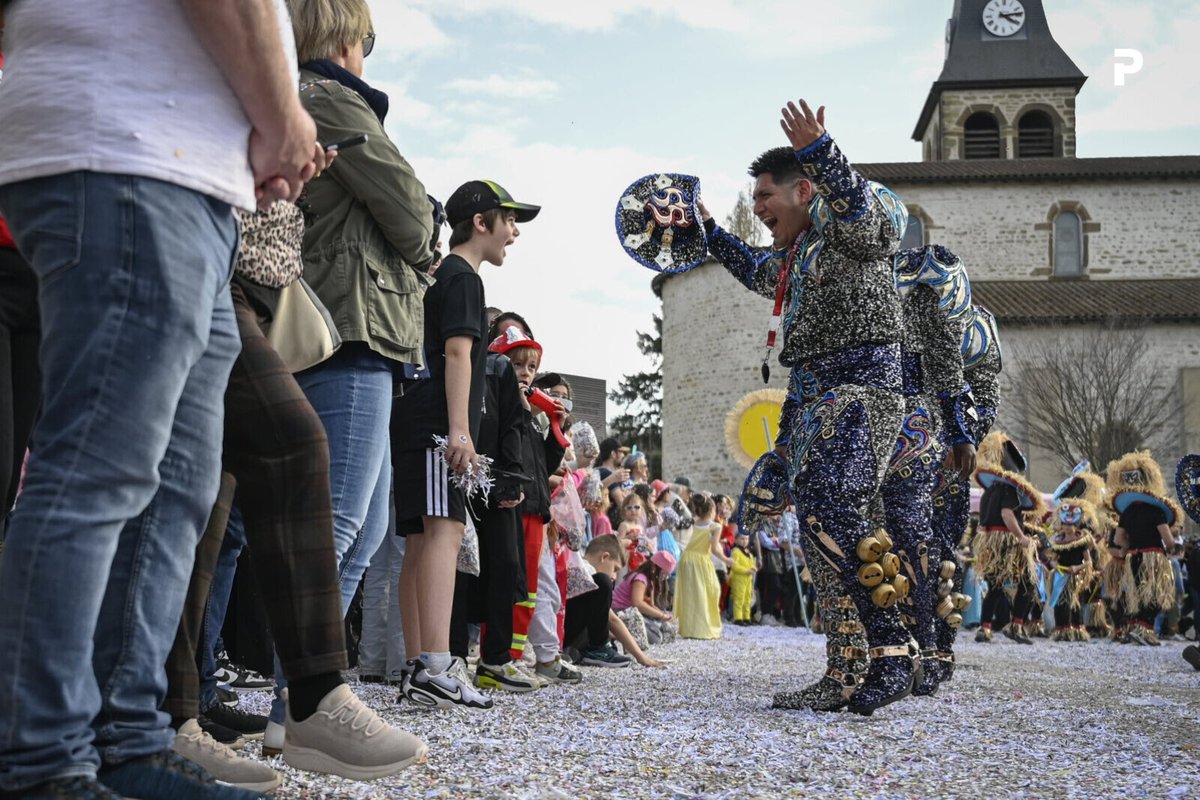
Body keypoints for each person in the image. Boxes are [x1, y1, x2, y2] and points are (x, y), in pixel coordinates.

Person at [0, 1, 328, 797]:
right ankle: (40, 757)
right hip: (127, 151)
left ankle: (129, 739)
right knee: (99, 468)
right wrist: (283, 121)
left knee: (176, 487)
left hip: (180, 170)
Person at [703, 99, 915, 715]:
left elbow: (871, 223)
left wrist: (823, 151)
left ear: (804, 189)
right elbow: (756, 269)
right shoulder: (800, 257)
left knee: (833, 506)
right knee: (819, 536)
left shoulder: (849, 230)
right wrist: (711, 232)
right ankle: (846, 669)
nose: (760, 209)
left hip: (864, 387)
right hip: (814, 397)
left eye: (766, 196)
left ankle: (894, 648)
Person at [392, 179, 539, 710]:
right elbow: (457, 355)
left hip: (415, 421)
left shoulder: (444, 277)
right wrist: (460, 431)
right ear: (481, 222)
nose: (514, 233)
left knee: (420, 541)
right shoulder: (463, 279)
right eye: (509, 220)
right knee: (445, 533)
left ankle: (418, 662)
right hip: (436, 423)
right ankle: (435, 662)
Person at [929, 303, 1003, 679]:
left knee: (942, 557)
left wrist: (962, 441)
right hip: (900, 459)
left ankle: (939, 647)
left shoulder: (974, 324)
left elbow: (986, 394)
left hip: (948, 468)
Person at [973, 432, 1044, 645]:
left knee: (994, 585)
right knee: (1028, 582)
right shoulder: (1010, 490)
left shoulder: (989, 491)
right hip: (1007, 542)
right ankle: (1017, 626)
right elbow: (1006, 514)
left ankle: (984, 628)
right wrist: (1021, 537)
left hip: (990, 541)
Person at [1106, 450, 1180, 647]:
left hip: (1133, 557)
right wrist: (1174, 547)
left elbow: (1118, 538)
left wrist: (1130, 546)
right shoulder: (1156, 510)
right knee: (1156, 594)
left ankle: (1134, 629)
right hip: (1153, 557)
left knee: (1136, 593)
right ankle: (1145, 630)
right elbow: (1167, 538)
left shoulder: (1127, 512)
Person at [566, 535, 663, 668]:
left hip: (570, 632)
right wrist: (641, 657)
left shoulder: (579, 568)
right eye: (615, 569)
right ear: (604, 557)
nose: (614, 576)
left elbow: (612, 619)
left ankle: (591, 650)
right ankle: (598, 649)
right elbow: (612, 620)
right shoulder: (582, 571)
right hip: (565, 633)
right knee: (603, 581)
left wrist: (641, 656)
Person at [674, 494, 728, 639]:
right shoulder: (715, 526)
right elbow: (715, 548)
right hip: (701, 560)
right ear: (712, 510)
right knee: (707, 592)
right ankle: (702, 629)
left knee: (691, 594)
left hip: (686, 559)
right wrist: (727, 560)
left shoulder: (692, 522)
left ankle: (689, 629)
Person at [611, 551, 677, 654]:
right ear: (655, 568)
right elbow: (637, 603)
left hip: (628, 611)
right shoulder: (640, 578)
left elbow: (651, 605)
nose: (664, 578)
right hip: (618, 612)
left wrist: (665, 615)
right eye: (664, 574)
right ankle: (621, 633)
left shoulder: (648, 579)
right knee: (656, 638)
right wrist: (662, 615)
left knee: (660, 628)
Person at [728, 531, 758, 625]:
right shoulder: (735, 551)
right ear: (736, 540)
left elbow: (751, 563)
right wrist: (746, 570)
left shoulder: (748, 552)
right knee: (739, 599)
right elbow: (734, 566)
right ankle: (738, 618)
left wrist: (753, 568)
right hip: (739, 578)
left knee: (747, 598)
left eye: (746, 539)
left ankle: (746, 617)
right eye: (742, 538)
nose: (745, 541)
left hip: (748, 579)